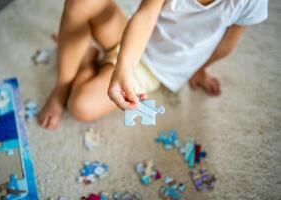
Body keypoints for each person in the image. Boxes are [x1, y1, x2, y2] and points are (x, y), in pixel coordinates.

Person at [38, 0, 268, 130]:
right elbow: (145, 17)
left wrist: (199, 69)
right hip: (128, 34)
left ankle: (88, 60)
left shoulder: (250, 3)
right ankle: (62, 85)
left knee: (81, 107)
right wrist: (123, 67)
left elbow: (227, 43)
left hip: (152, 68)